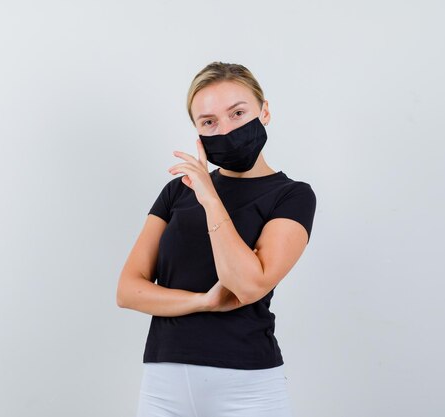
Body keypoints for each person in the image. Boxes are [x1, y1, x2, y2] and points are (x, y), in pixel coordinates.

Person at [116, 61, 317, 417]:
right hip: (164, 384)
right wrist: (203, 302)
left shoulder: (292, 196)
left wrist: (210, 197)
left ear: (264, 111)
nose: (225, 129)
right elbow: (129, 290)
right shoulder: (177, 191)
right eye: (209, 122)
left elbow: (248, 285)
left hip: (248, 388)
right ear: (198, 131)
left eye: (238, 113)